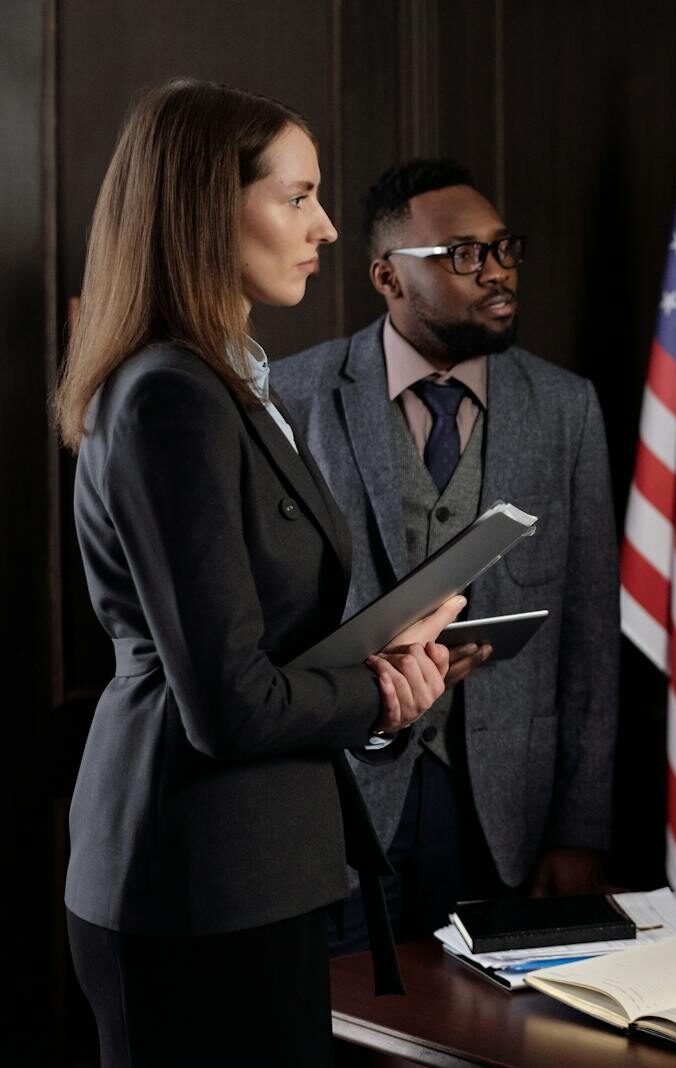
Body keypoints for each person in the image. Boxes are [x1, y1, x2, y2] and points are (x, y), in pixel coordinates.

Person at [55, 80, 464, 1067]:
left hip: (247, 870)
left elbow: (257, 641)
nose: (326, 226)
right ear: (204, 207)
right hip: (195, 880)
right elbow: (228, 705)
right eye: (298, 196)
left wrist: (381, 654)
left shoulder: (223, 380)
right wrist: (375, 696)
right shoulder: (171, 399)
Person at [273, 158, 619, 950]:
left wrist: (580, 828)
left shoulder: (566, 408)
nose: (496, 274)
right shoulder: (295, 397)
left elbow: (591, 638)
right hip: (342, 803)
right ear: (388, 277)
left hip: (507, 816)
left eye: (504, 250)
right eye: (463, 256)